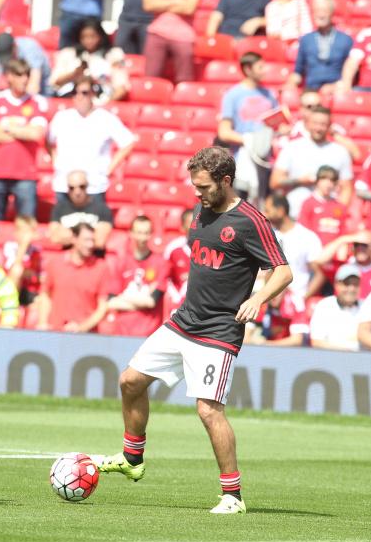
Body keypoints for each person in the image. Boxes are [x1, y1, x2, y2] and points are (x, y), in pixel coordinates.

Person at [96, 146, 291, 515]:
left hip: (218, 330)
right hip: (183, 320)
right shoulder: (201, 211)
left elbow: (283, 270)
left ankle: (232, 496)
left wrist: (258, 298)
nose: (197, 193)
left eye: (203, 186)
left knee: (208, 411)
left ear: (226, 181)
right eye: (194, 185)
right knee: (130, 381)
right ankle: (132, 457)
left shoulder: (251, 220)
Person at [0, 59, 49, 221]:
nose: (24, 79)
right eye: (19, 75)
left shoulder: (37, 102)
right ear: (9, 77)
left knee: (26, 227)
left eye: (27, 75)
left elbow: (36, 135)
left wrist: (6, 127)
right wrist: (23, 130)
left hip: (26, 175)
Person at [48, 76, 135, 205]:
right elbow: (47, 140)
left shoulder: (105, 118)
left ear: (93, 93)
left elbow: (128, 142)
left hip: (94, 184)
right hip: (64, 183)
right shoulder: (62, 117)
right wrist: (55, 160)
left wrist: (108, 169)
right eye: (75, 92)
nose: (79, 97)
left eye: (84, 92)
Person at [218, 52, 280, 201]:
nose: (264, 71)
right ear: (247, 69)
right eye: (260, 67)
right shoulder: (233, 95)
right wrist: (249, 140)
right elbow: (224, 132)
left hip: (266, 158)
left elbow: (277, 124)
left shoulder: (269, 94)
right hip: (243, 159)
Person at [270, 105, 353, 216]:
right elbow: (274, 182)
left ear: (329, 126)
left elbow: (346, 188)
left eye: (323, 124)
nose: (318, 128)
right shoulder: (292, 147)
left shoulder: (340, 152)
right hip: (295, 214)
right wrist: (300, 181)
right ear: (308, 124)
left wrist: (337, 214)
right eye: (315, 123)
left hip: (326, 219)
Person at [37, 222, 109, 332]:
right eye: (86, 240)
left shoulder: (101, 267)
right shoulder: (55, 263)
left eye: (92, 240)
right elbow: (45, 294)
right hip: (55, 332)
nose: (90, 245)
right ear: (74, 239)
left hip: (86, 336)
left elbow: (102, 307)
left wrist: (81, 328)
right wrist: (42, 322)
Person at [106, 215, 167, 337]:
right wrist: (142, 300)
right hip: (123, 332)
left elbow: (151, 302)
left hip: (149, 333)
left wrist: (123, 297)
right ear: (131, 233)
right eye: (139, 232)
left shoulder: (160, 262)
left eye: (146, 233)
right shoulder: (121, 262)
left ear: (151, 234)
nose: (142, 237)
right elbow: (111, 302)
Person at [286, 0, 353, 93]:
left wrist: (337, 85)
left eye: (324, 11)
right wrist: (290, 84)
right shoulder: (306, 40)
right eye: (317, 11)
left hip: (336, 90)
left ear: (332, 13)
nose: (320, 15)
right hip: (311, 90)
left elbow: (351, 72)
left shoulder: (345, 40)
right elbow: (298, 72)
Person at [49, 20, 129, 102]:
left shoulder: (114, 55)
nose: (89, 41)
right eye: (84, 37)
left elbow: (121, 88)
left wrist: (105, 106)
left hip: (100, 102)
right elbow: (54, 82)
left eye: (93, 36)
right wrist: (75, 73)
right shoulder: (68, 54)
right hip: (70, 100)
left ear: (101, 36)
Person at [265, 191, 323, 299]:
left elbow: (319, 274)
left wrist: (302, 299)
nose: (265, 215)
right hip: (270, 305)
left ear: (281, 211)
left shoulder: (307, 237)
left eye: (268, 211)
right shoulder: (267, 236)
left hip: (296, 306)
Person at [49, 169, 114, 253]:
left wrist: (70, 236)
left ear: (87, 186)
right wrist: (87, 238)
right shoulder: (59, 208)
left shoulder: (102, 208)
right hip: (66, 259)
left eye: (81, 186)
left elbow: (99, 241)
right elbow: (54, 237)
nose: (77, 192)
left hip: (93, 260)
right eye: (72, 188)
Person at [0, 31, 52, 97]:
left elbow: (34, 85)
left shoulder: (30, 48)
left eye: (8, 55)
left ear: (14, 46)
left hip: (43, 90)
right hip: (14, 91)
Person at [309, 263, 361, 351]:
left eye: (355, 284)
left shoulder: (366, 306)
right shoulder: (325, 306)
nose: (351, 289)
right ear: (336, 284)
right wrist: (348, 350)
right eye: (347, 284)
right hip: (330, 359)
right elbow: (316, 342)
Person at [297, 165, 348, 246]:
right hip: (313, 251)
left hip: (333, 253)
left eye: (332, 180)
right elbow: (303, 231)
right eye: (324, 179)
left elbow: (344, 232)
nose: (328, 184)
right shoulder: (308, 203)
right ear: (317, 181)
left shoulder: (340, 207)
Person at [244, 287, 309, 347]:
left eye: (278, 291)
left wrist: (266, 344)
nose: (274, 296)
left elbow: (297, 340)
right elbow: (246, 338)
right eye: (272, 291)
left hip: (290, 350)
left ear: (285, 290)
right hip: (268, 348)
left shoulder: (295, 302)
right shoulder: (260, 303)